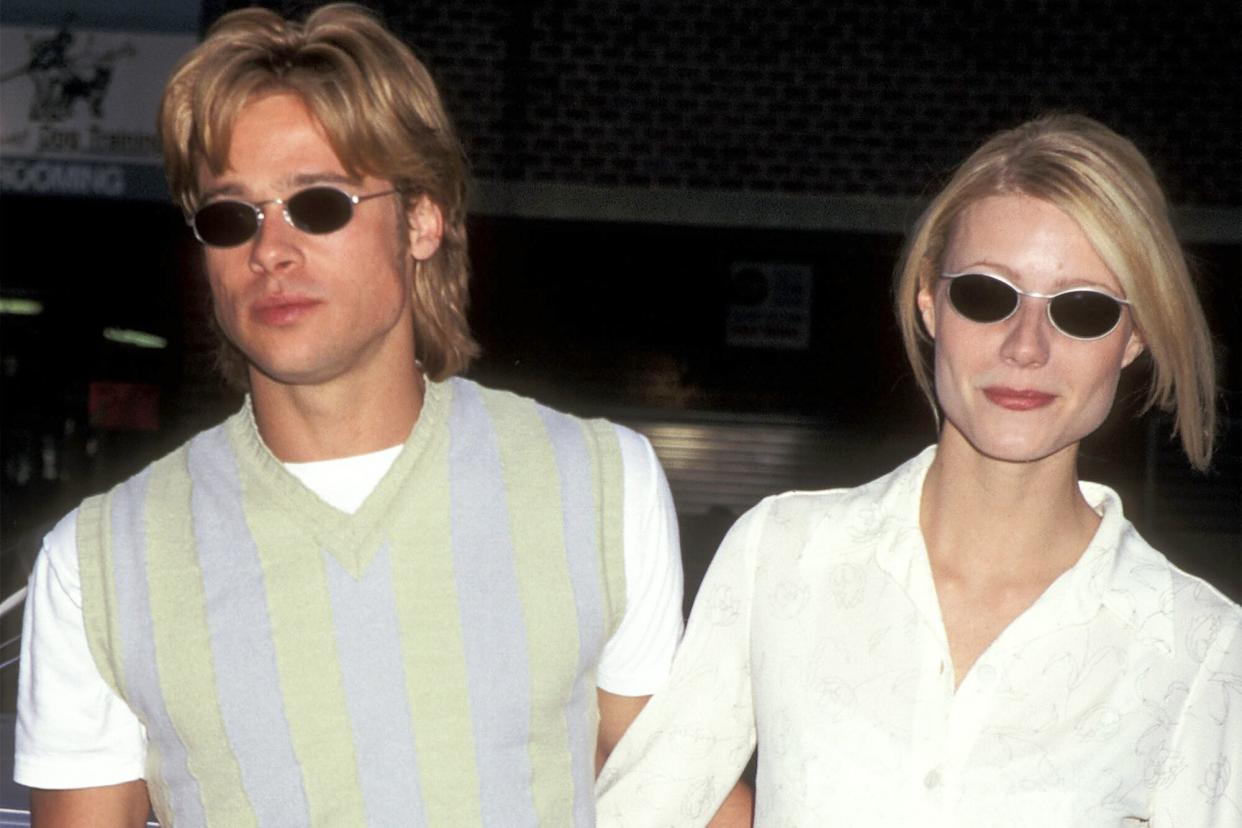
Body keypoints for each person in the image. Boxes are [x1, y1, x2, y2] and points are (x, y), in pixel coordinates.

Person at [15, 5, 694, 825]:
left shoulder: (598, 486)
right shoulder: (98, 565)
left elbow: (673, 801)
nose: (270, 250)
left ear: (420, 219)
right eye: (232, 217)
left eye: (319, 204)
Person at [595, 114, 1241, 826]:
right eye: (988, 294)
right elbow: (648, 808)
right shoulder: (782, 553)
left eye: (1081, 309)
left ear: (1134, 335)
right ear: (931, 302)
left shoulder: (1197, 645)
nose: (1026, 346)